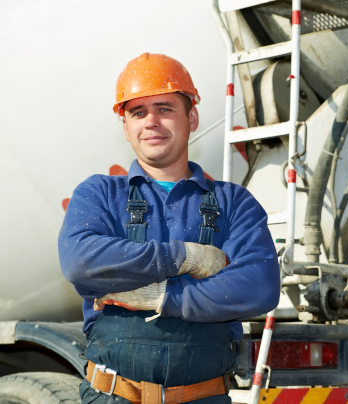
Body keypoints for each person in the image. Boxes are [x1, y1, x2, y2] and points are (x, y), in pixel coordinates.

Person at [59, 53, 280, 403]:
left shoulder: (233, 203)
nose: (151, 122)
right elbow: (81, 262)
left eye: (164, 108)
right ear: (126, 127)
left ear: (191, 118)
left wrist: (163, 297)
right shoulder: (99, 193)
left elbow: (257, 286)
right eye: (138, 113)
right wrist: (182, 257)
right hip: (113, 396)